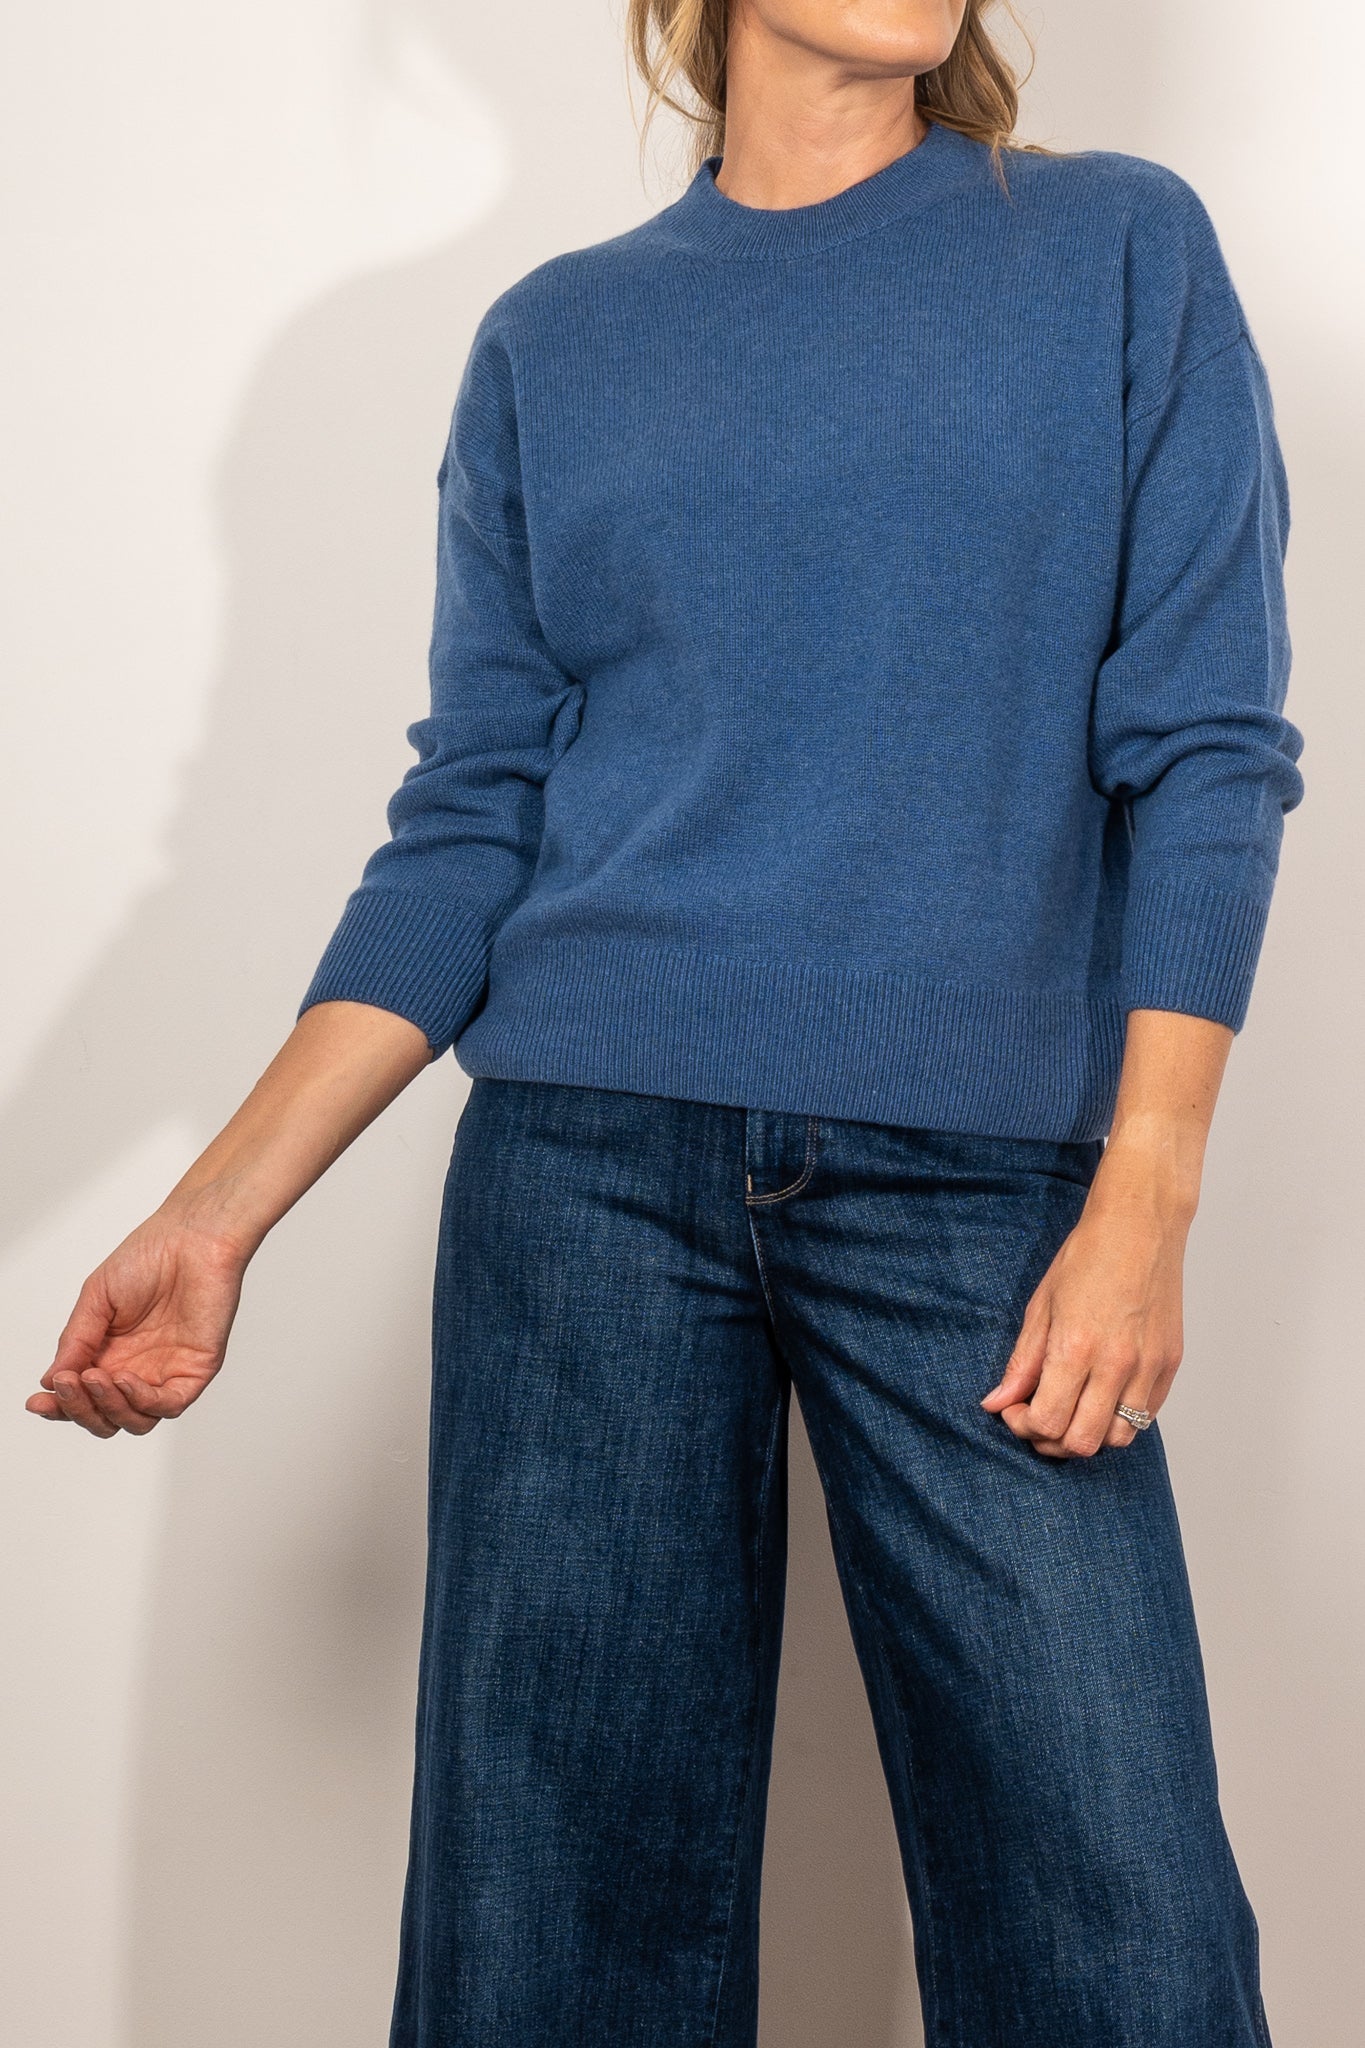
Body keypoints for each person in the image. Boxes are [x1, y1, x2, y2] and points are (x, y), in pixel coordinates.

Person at [29, 1, 1304, 2042]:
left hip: (985, 1191)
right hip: (584, 1177)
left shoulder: (1113, 247)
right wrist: (214, 1215)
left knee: (1118, 1930)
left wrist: (1143, 1193)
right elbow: (473, 819)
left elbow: (1206, 745)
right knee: (551, 1943)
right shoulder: (555, 341)